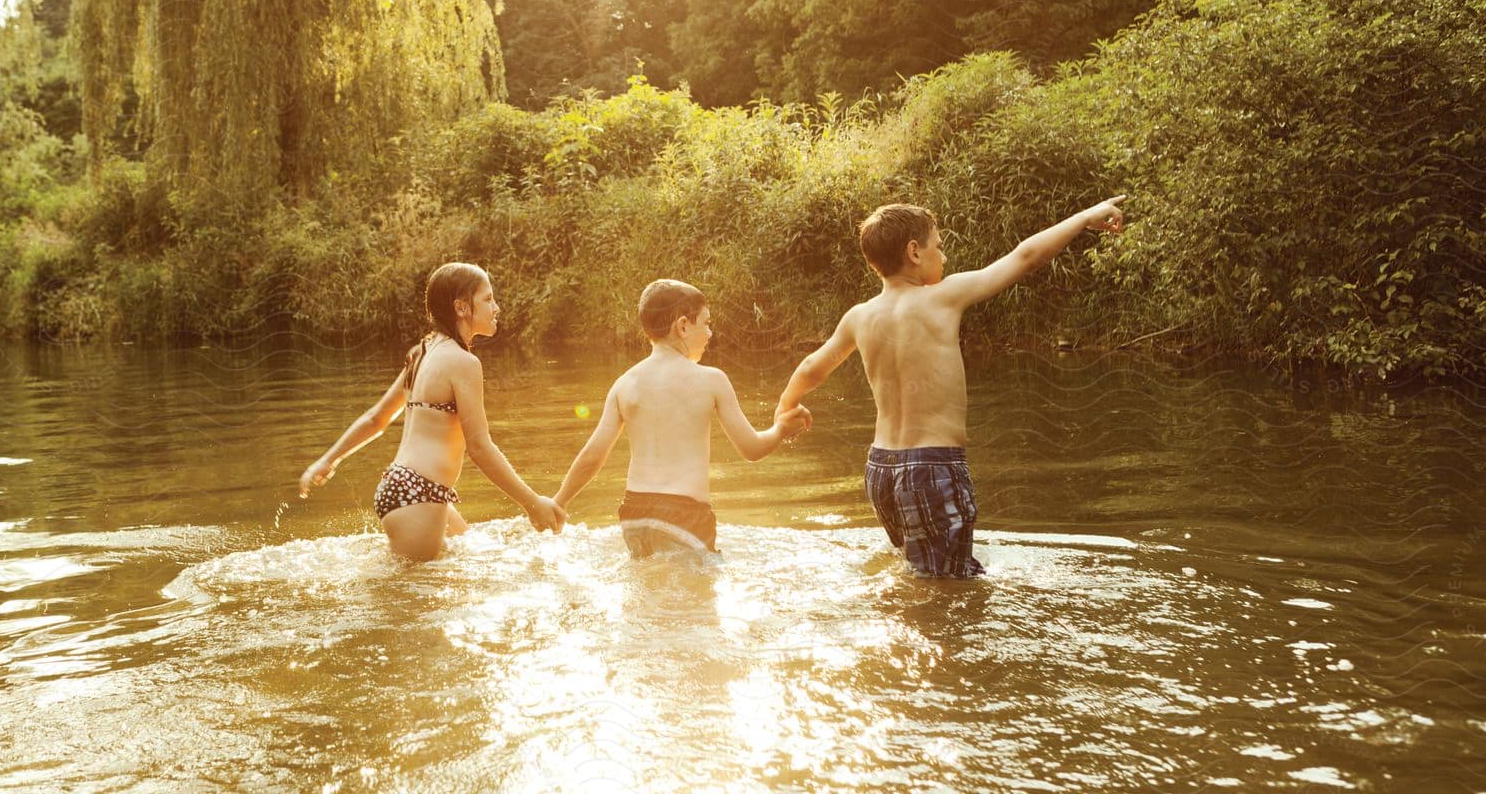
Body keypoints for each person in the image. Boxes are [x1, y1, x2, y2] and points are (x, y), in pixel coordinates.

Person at [774, 198, 1126, 578]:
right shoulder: (944, 296)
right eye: (938, 246)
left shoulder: (859, 317)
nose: (943, 254)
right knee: (950, 586)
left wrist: (785, 407)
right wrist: (1083, 218)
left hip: (881, 470)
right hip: (932, 467)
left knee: (917, 571)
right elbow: (1025, 257)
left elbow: (812, 367)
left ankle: (902, 631)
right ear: (914, 252)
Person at [298, 262, 565, 561]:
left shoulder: (422, 352)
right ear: (462, 308)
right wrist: (531, 502)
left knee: (471, 557)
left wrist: (327, 460)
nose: (497, 307)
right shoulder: (463, 363)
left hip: (402, 486)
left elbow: (377, 419)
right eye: (488, 299)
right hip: (419, 494)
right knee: (419, 601)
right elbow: (479, 447)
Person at [553, 279, 812, 558]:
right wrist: (781, 429)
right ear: (684, 325)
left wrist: (559, 501)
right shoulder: (711, 380)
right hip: (685, 514)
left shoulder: (624, 384)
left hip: (634, 514)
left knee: (647, 592)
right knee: (698, 596)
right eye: (706, 322)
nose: (710, 333)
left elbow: (593, 455)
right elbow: (751, 449)